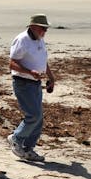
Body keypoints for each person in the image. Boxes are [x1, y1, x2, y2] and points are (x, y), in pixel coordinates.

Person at [8, 13, 56, 162]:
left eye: (46, 29)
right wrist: (30, 72)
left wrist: (51, 77)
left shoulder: (40, 40)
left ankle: (28, 148)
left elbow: (43, 60)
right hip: (23, 82)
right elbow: (12, 63)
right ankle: (16, 138)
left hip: (35, 83)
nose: (45, 31)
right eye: (43, 28)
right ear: (33, 27)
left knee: (39, 118)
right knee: (33, 115)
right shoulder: (22, 39)